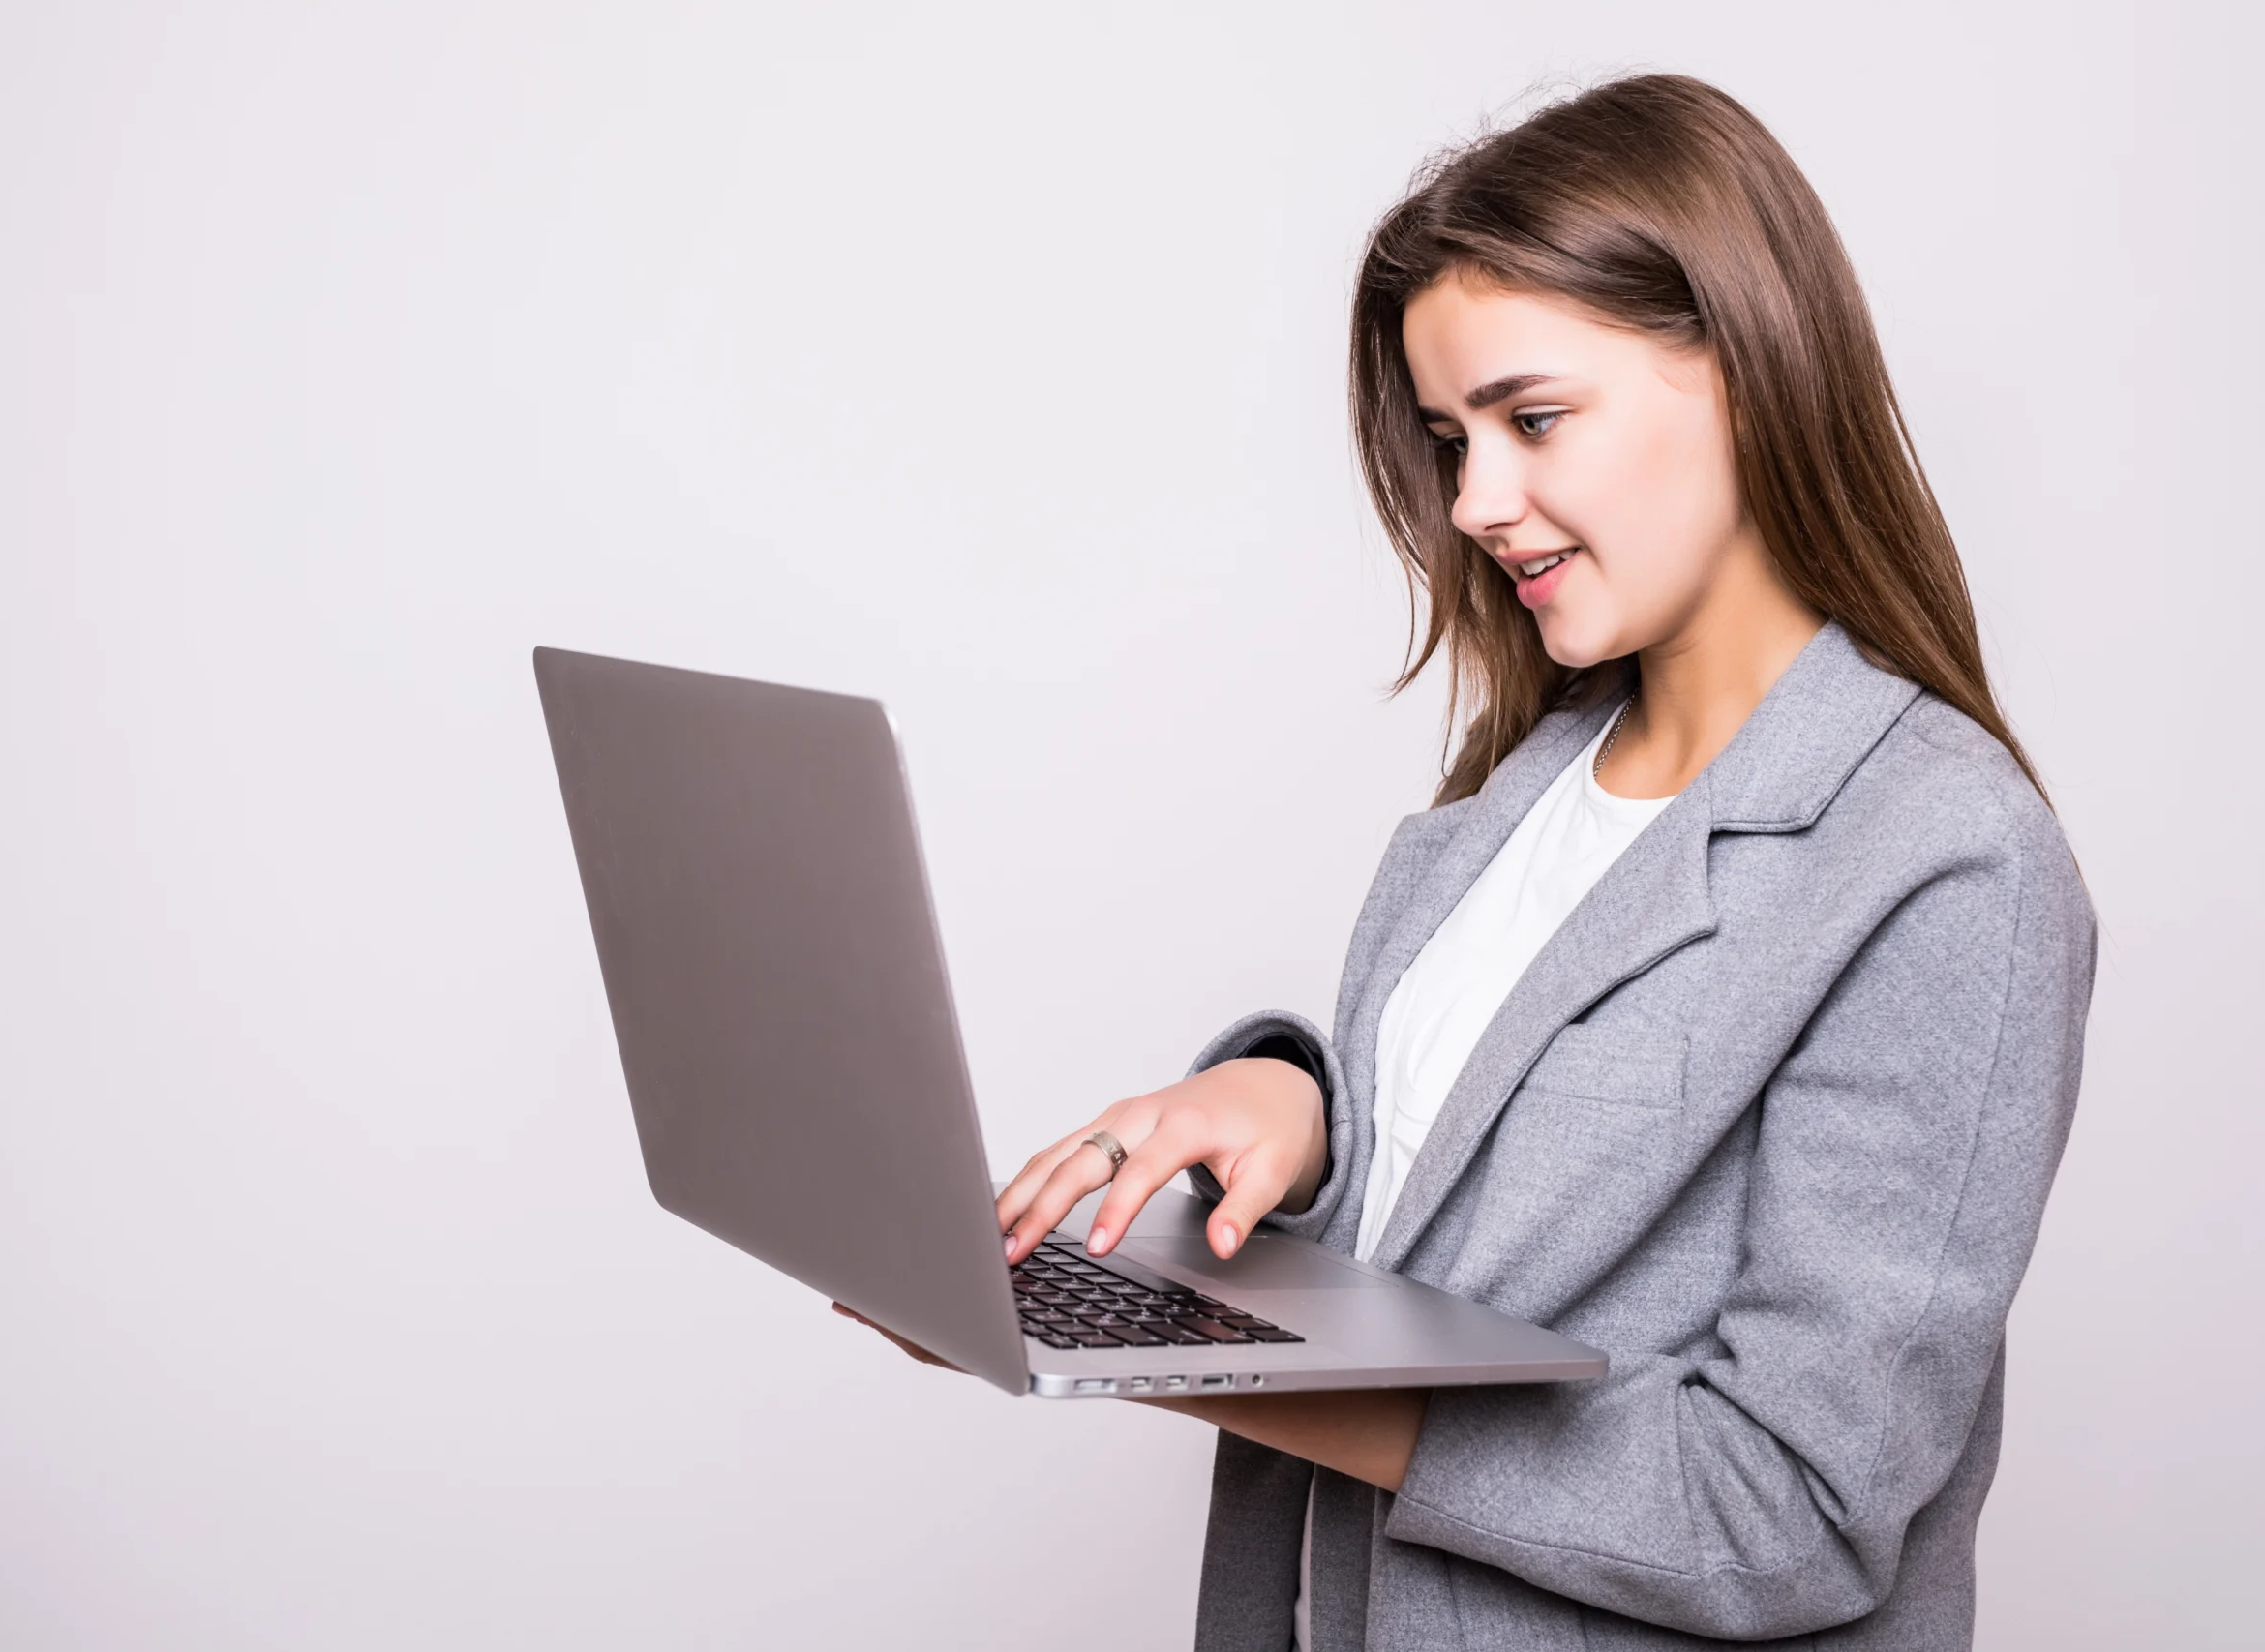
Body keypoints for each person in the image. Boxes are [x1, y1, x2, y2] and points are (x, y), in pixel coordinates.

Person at [847, 73, 2094, 1650]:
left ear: (1746, 368)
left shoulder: (1946, 862)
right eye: (1450, 438)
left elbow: (1790, 1507)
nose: (1475, 503)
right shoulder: (1527, 783)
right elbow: (1479, 1186)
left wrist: (1192, 1358)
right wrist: (1290, 1110)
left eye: (1532, 419)